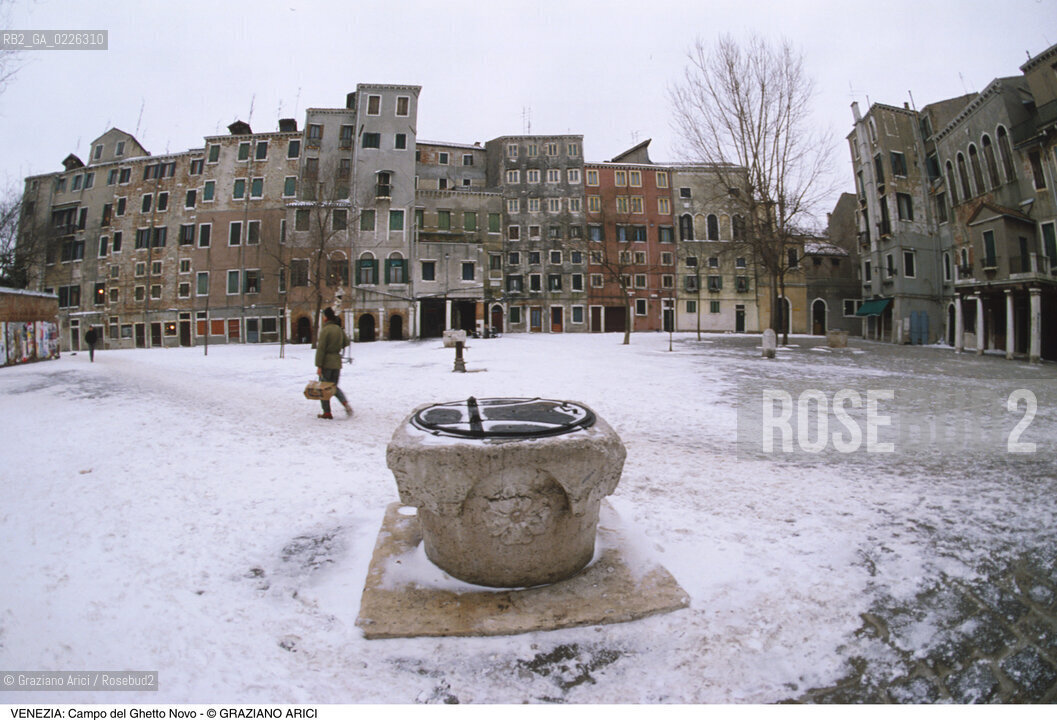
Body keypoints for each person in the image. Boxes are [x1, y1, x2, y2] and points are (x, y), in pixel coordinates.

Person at [314, 307, 353, 419]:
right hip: (337, 362)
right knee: (334, 387)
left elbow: (321, 349)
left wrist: (319, 365)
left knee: (324, 388)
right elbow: (346, 342)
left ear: (326, 317)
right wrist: (337, 345)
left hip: (326, 363)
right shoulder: (338, 329)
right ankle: (345, 403)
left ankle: (327, 412)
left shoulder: (325, 330)